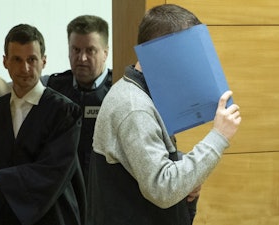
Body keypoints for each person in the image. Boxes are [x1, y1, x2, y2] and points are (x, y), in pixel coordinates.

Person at [87, 4, 242, 225]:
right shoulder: (134, 106)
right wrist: (218, 137)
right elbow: (162, 188)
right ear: (163, 52)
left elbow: (146, 163)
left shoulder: (140, 94)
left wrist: (188, 177)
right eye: (186, 53)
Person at [0, 24, 86, 225]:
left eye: (32, 59)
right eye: (17, 60)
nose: (25, 68)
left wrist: (0, 179)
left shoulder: (65, 112)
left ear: (44, 61)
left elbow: (54, 169)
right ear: (5, 62)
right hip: (3, 217)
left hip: (54, 217)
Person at [0, 15, 112, 186]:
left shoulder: (117, 92)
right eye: (76, 50)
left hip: (102, 190)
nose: (82, 58)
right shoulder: (53, 85)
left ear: (105, 52)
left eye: (90, 50)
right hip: (58, 188)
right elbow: (8, 93)